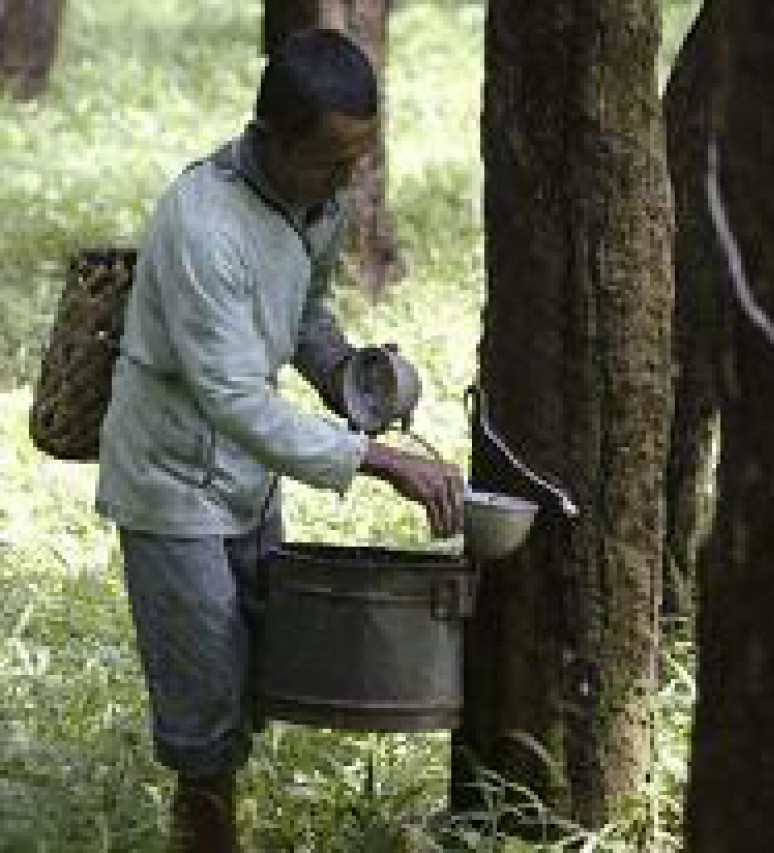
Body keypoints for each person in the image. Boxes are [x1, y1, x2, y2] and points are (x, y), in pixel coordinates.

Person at [94, 29, 463, 852]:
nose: (348, 181)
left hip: (249, 478)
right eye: (333, 160)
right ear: (271, 140)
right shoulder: (203, 223)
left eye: (360, 158)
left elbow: (301, 317)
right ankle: (203, 830)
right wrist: (375, 459)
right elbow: (230, 396)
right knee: (204, 697)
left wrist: (344, 374)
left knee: (253, 664)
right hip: (170, 481)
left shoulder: (316, 203)